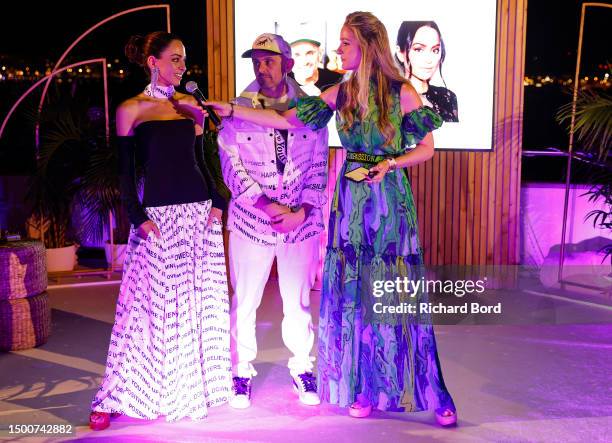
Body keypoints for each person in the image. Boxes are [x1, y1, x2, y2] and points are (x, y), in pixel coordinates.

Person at [205, 12, 457, 425]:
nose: (337, 51)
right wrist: (231, 109)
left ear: (367, 46)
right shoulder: (338, 93)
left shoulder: (402, 91)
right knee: (356, 296)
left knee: (396, 292)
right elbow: (285, 119)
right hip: (351, 199)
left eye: (345, 43)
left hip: (388, 196)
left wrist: (391, 165)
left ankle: (431, 391)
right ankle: (363, 388)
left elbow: (426, 147)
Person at [89, 31, 231, 430]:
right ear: (152, 61)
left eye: (184, 60)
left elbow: (206, 161)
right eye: (175, 59)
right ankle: (116, 393)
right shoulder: (130, 109)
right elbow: (125, 172)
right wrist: (138, 219)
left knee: (196, 306)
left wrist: (219, 202)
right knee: (141, 309)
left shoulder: (191, 106)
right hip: (157, 220)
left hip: (199, 213)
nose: (182, 67)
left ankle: (187, 389)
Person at [218, 33, 328, 409]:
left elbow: (318, 167)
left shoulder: (312, 110)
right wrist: (267, 206)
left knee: (296, 302)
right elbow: (231, 168)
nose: (261, 68)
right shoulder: (237, 108)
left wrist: (301, 213)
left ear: (287, 64)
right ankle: (240, 371)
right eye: (256, 61)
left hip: (301, 225)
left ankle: (302, 368)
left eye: (268, 60)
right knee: (244, 301)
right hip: (252, 221)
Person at [395, 21, 459, 122]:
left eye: (435, 50)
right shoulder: (389, 98)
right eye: (419, 49)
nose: (429, 59)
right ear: (400, 53)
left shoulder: (447, 97)